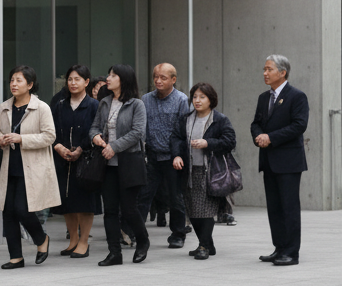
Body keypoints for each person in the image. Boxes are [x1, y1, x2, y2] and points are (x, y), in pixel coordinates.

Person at [0, 65, 60, 269]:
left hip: (32, 168)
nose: (13, 84)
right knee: (8, 211)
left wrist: (22, 139)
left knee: (22, 209)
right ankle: (16, 257)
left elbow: (49, 136)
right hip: (8, 166)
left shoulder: (42, 108)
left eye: (19, 80)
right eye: (12, 80)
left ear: (30, 85)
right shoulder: (3, 107)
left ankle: (41, 239)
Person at [250, 54, 308, 266]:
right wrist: (258, 136)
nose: (265, 73)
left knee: (289, 207)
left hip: (289, 162)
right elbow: (256, 123)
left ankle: (292, 252)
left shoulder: (297, 96)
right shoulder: (263, 98)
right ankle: (280, 247)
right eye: (264, 69)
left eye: (269, 69)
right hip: (268, 161)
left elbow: (299, 125)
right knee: (274, 207)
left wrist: (270, 138)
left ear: (282, 73)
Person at [89, 64, 150, 266]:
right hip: (107, 165)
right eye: (109, 74)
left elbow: (138, 132)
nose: (109, 78)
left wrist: (114, 146)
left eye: (113, 75)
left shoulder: (136, 104)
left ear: (123, 80)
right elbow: (95, 127)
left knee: (129, 208)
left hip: (128, 162)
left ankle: (142, 241)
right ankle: (114, 252)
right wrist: (96, 137)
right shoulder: (104, 102)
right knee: (111, 210)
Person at [171, 82, 237, 260]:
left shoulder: (220, 119)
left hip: (210, 172)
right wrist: (177, 155)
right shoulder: (185, 118)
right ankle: (208, 243)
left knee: (206, 210)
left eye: (202, 97)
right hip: (188, 172)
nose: (197, 101)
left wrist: (208, 143)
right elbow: (176, 138)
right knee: (192, 210)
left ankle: (202, 246)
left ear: (211, 99)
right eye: (194, 97)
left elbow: (230, 141)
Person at [137, 63, 190, 246]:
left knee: (176, 198)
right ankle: (137, 233)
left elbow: (184, 132)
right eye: (155, 77)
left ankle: (178, 235)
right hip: (151, 157)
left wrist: (179, 155)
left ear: (173, 80)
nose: (158, 81)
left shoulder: (182, 100)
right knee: (143, 196)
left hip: (173, 158)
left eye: (163, 77)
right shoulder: (145, 99)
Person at [51, 65, 100, 259]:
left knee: (84, 203)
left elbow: (97, 130)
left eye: (77, 79)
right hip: (63, 159)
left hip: (85, 160)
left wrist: (81, 148)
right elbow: (51, 131)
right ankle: (72, 240)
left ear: (87, 82)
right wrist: (58, 147)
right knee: (67, 201)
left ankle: (84, 241)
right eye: (70, 79)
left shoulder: (94, 105)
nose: (73, 83)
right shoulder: (60, 105)